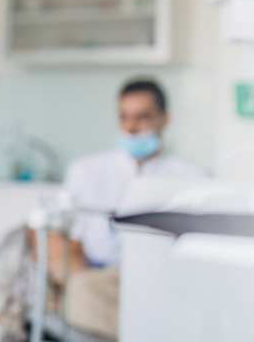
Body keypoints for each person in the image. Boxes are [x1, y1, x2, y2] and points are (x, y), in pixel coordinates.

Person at [55, 78, 205, 339]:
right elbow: (58, 233)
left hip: (163, 278)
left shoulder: (192, 177)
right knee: (83, 290)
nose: (131, 128)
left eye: (142, 118)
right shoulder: (86, 171)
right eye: (124, 117)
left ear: (165, 119)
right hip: (102, 275)